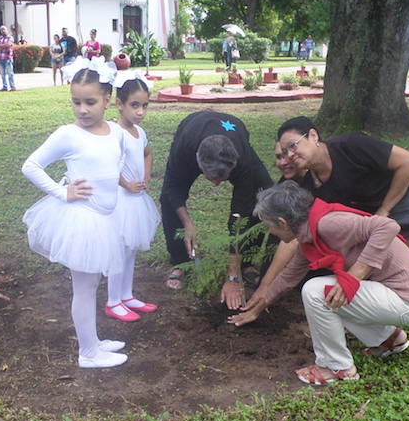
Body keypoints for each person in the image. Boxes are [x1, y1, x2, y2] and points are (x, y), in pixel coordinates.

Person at [229, 181, 409, 385]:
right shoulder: (308, 235)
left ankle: (336, 367)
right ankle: (389, 339)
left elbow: (388, 226)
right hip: (396, 294)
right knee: (333, 294)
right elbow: (288, 277)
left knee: (315, 291)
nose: (269, 232)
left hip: (406, 297)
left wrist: (354, 275)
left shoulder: (329, 224)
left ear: (282, 222)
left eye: (268, 226)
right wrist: (257, 308)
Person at [21, 57, 128, 368]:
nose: (82, 109)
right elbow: (31, 165)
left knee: (93, 284)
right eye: (76, 102)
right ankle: (88, 353)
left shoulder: (115, 132)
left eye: (90, 102)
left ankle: (92, 340)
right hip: (82, 219)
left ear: (108, 100)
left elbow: (112, 166)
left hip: (105, 217)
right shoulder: (68, 134)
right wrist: (61, 190)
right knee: (83, 287)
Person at [160, 111, 275, 305]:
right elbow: (172, 187)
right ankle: (181, 262)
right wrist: (187, 224)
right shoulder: (186, 148)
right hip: (192, 129)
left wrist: (233, 276)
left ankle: (245, 263)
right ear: (200, 166)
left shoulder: (242, 159)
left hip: (235, 134)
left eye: (223, 178)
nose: (216, 184)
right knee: (168, 200)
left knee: (264, 197)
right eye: (212, 178)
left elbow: (240, 212)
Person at [276, 116, 409, 249]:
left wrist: (384, 210)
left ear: (313, 136)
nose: (289, 155)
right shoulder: (311, 180)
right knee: (384, 234)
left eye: (293, 146)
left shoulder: (350, 146)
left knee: (382, 245)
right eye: (285, 152)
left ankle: (405, 242)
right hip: (377, 193)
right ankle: (406, 235)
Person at [104, 71, 160, 322]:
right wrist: (125, 183)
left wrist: (146, 177)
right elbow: (106, 164)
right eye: (134, 105)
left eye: (144, 106)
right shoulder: (114, 133)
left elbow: (147, 153)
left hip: (137, 200)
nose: (140, 112)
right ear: (120, 104)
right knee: (119, 250)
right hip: (121, 200)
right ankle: (113, 300)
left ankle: (126, 295)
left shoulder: (140, 132)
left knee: (131, 250)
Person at [0, 25, 15, 91]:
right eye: (1, 30)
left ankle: (12, 87)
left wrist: (0, 46)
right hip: (0, 58)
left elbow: (8, 45)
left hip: (8, 58)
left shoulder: (10, 37)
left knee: (10, 73)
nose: (3, 31)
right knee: (2, 75)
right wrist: (4, 46)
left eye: (4, 29)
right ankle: (5, 87)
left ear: (7, 30)